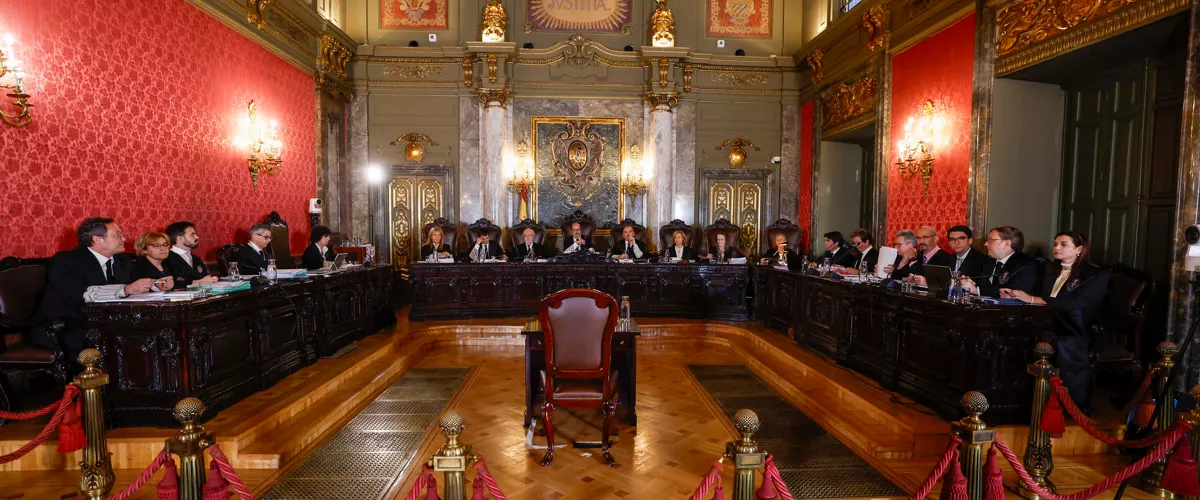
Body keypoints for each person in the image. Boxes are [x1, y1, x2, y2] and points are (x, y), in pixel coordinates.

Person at [1002, 231, 1108, 408]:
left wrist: (1034, 300)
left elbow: (1077, 303)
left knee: (1065, 346)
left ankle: (1069, 406)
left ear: (1079, 249)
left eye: (1064, 244)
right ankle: (1025, 402)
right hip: (1047, 323)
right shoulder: (1051, 268)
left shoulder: (1095, 274)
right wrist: (1014, 295)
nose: (1057, 248)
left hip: (1076, 327)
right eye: (1055, 244)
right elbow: (1039, 293)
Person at [34, 218, 158, 356]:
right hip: (66, 326)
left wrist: (156, 285)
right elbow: (81, 294)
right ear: (97, 239)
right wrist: (125, 290)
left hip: (107, 324)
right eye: (117, 235)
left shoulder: (121, 260)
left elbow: (134, 286)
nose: (124, 238)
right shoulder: (66, 260)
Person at [961, 226, 1039, 297]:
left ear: (1006, 244)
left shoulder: (1026, 264)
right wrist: (971, 283)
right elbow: (982, 284)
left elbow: (1010, 293)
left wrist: (977, 290)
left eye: (990, 240)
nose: (986, 244)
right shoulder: (987, 261)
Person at [164, 221, 218, 287]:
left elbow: (206, 277)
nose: (197, 237)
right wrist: (199, 282)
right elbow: (171, 283)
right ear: (180, 239)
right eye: (192, 234)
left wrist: (212, 279)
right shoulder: (166, 258)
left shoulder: (195, 258)